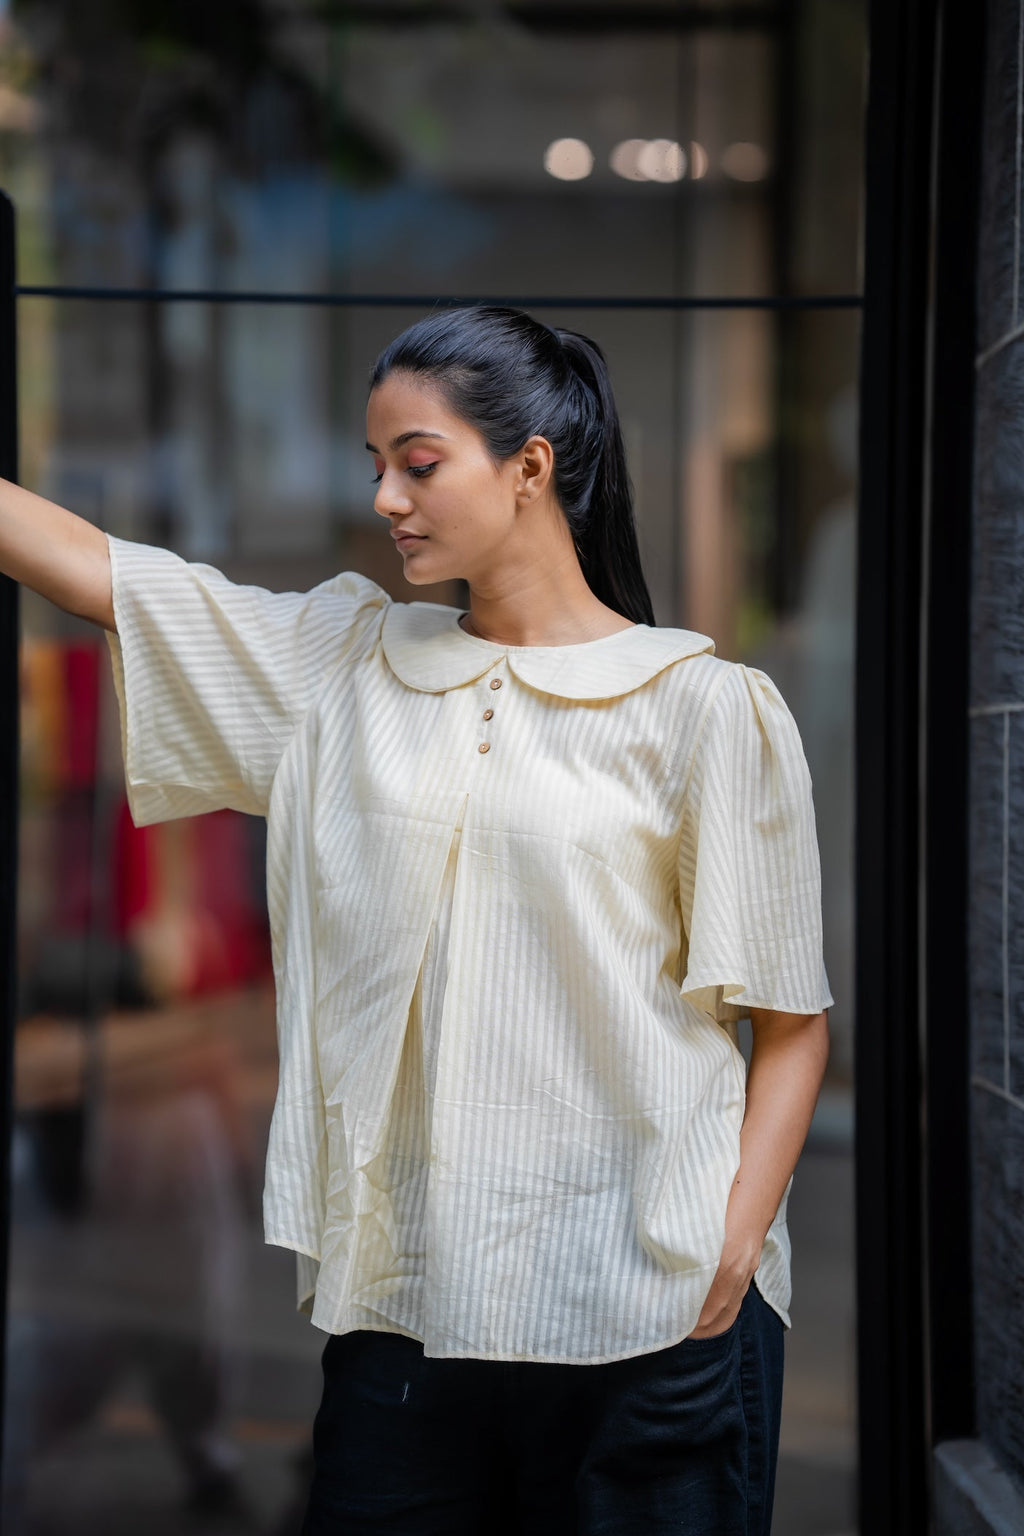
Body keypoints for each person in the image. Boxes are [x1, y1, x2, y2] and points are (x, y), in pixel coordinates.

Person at [0, 304, 833, 1535]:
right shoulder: (345, 667)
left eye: (420, 462)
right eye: (375, 465)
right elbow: (107, 577)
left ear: (532, 467)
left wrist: (721, 1264)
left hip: (647, 1316)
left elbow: (791, 1027)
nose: (387, 496)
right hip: (406, 1320)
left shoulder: (702, 709)